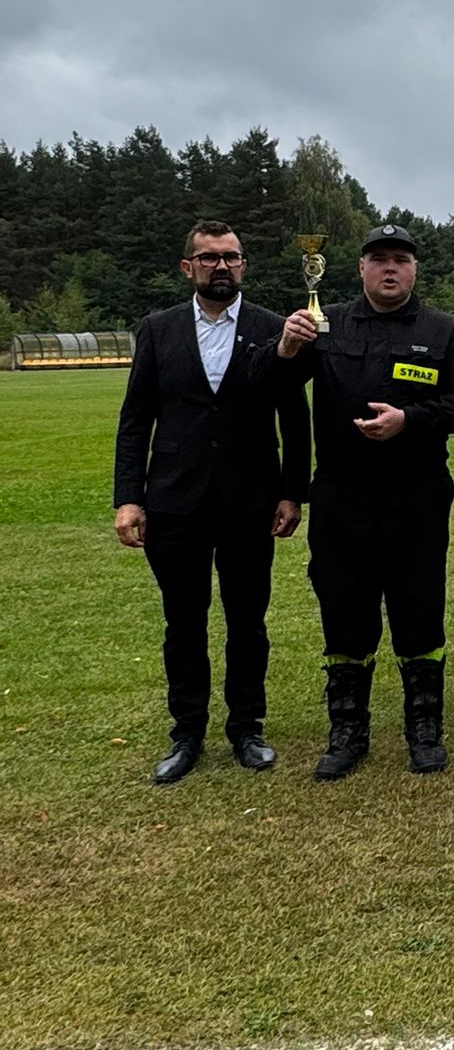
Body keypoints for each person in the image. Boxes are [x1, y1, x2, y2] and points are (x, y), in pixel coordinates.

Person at [270, 223, 454, 779]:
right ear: (361, 267)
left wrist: (409, 419)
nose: (391, 268)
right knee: (344, 611)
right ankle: (347, 730)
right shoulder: (324, 324)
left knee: (419, 608)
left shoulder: (443, 330)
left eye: (401, 259)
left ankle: (424, 728)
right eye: (379, 258)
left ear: (414, 269)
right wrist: (286, 349)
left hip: (416, 494)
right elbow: (273, 389)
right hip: (341, 495)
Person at [113, 220, 309, 785]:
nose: (221, 266)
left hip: (250, 499)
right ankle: (187, 732)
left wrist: (292, 491)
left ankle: (247, 728)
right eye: (208, 257)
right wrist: (128, 498)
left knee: (247, 621)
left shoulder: (274, 329)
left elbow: (295, 418)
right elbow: (136, 419)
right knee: (183, 622)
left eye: (231, 257)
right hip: (175, 500)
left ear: (244, 264)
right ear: (188, 267)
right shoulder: (159, 329)